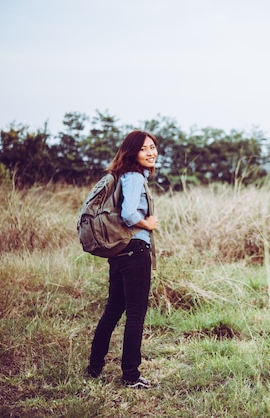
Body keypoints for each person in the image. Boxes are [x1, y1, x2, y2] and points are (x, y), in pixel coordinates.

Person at [86, 130, 159, 389]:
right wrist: (147, 222)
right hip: (136, 250)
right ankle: (130, 376)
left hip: (119, 253)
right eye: (144, 149)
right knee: (136, 316)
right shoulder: (134, 177)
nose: (151, 152)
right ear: (132, 153)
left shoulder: (120, 176)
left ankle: (94, 368)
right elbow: (128, 214)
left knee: (112, 312)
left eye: (153, 147)